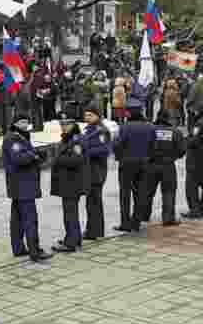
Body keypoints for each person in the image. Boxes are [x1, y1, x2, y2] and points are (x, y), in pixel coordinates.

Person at [2, 115, 50, 261]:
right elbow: (19, 158)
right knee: (30, 219)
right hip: (23, 184)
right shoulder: (12, 138)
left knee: (17, 219)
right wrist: (34, 156)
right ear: (15, 123)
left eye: (26, 122)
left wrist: (32, 154)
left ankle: (18, 248)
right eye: (21, 122)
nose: (24, 124)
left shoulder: (21, 137)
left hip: (20, 184)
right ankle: (34, 250)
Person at [112, 99, 153, 232]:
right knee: (140, 193)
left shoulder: (125, 127)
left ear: (128, 113)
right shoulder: (149, 126)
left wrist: (119, 157)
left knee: (125, 194)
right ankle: (136, 222)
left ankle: (125, 223)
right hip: (144, 163)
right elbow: (153, 146)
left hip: (127, 163)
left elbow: (117, 145)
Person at [143, 110, 187, 225]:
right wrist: (173, 156)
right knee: (169, 192)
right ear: (169, 119)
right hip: (168, 166)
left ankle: (143, 215)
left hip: (151, 165)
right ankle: (168, 218)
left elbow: (144, 147)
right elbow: (182, 150)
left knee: (147, 191)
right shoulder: (175, 132)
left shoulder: (150, 130)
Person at [51, 120, 88, 252]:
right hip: (68, 182)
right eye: (62, 125)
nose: (63, 127)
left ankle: (70, 243)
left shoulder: (77, 140)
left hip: (72, 183)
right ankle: (74, 238)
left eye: (66, 124)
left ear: (74, 125)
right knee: (71, 212)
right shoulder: (69, 138)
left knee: (70, 214)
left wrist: (57, 159)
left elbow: (77, 160)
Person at [79, 106, 110, 240]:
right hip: (88, 171)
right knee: (90, 203)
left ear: (98, 116)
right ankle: (92, 230)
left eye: (90, 115)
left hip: (96, 171)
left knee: (95, 202)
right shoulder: (88, 129)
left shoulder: (101, 131)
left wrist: (85, 152)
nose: (87, 118)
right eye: (86, 115)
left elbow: (104, 150)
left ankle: (95, 231)